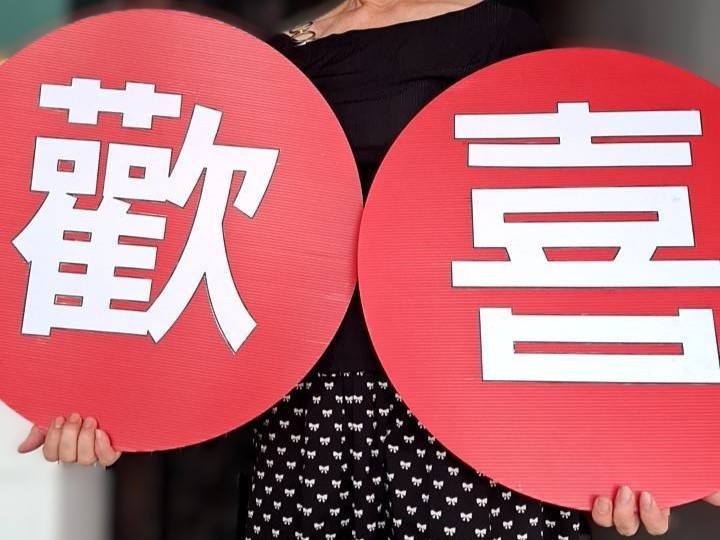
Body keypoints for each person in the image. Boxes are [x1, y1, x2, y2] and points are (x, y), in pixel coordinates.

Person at [17, 1, 720, 538]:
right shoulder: (272, 57)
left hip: (470, 432)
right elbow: (195, 251)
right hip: (302, 427)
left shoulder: (508, 50)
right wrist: (108, 398)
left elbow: (601, 262)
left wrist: (662, 443)